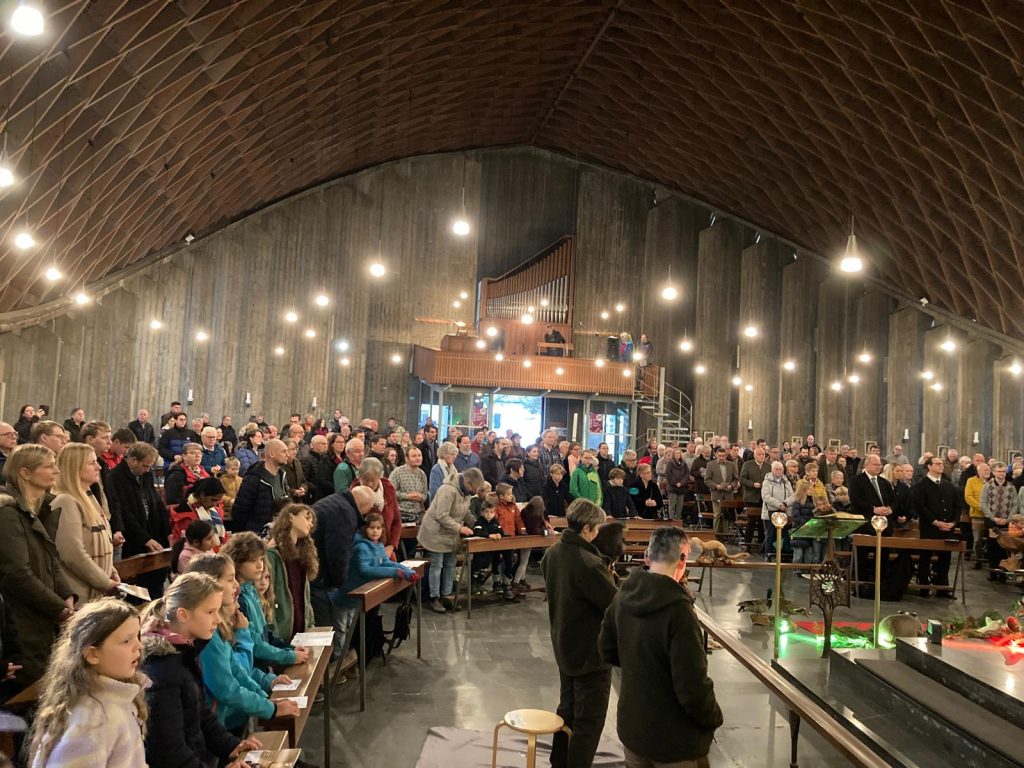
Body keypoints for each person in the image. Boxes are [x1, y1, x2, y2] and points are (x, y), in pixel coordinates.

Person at [599, 527, 722, 768]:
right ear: (683, 559)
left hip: (634, 726)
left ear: (647, 556)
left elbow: (606, 649)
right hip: (674, 740)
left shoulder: (622, 597)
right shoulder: (679, 611)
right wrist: (713, 718)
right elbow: (692, 685)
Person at [141, 572, 263, 768]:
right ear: (183, 614)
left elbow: (201, 714)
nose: (218, 620)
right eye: (210, 612)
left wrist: (231, 745)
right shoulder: (162, 670)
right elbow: (170, 754)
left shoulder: (185, 652)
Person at [541, 498, 617, 768]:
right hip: (590, 652)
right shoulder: (588, 563)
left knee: (567, 711)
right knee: (589, 720)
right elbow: (614, 604)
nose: (598, 533)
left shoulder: (553, 552)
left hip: (564, 642)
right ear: (586, 528)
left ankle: (559, 762)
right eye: (596, 528)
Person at [28, 598, 147, 767]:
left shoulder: (117, 699)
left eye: (138, 636)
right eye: (126, 641)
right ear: (92, 654)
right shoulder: (93, 719)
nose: (139, 646)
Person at [185, 554, 296, 731]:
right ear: (211, 584)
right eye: (230, 579)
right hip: (218, 724)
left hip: (229, 717)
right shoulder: (207, 635)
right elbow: (227, 688)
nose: (237, 585)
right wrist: (270, 707)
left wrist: (266, 699)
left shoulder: (217, 626)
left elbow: (237, 671)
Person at [0, 444, 76, 689]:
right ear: (25, 473)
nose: (56, 471)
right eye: (49, 466)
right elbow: (16, 573)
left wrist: (66, 595)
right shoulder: (8, 513)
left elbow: (50, 557)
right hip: (22, 620)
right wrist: (58, 607)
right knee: (29, 691)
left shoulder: (37, 508)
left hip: (42, 615)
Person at [222, 533, 309, 670]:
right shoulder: (238, 600)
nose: (260, 565)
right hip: (250, 668)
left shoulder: (251, 591)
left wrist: (289, 648)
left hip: (262, 668)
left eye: (262, 559)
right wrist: (288, 656)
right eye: (253, 560)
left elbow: (265, 633)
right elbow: (255, 644)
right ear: (237, 563)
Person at [334, 513, 418, 653]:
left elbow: (386, 562)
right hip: (347, 595)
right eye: (372, 528)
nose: (375, 531)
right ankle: (338, 659)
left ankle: (347, 656)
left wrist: (407, 571)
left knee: (350, 628)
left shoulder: (378, 546)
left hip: (357, 596)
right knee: (341, 629)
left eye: (378, 528)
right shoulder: (361, 547)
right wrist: (395, 573)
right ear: (365, 529)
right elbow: (365, 569)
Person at [48, 443, 120, 604]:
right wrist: (104, 582)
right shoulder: (65, 501)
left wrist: (111, 570)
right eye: (92, 463)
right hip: (80, 592)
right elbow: (72, 554)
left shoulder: (88, 498)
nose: (98, 467)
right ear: (75, 467)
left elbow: (103, 541)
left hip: (96, 588)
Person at [310, 485, 374, 664]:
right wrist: (338, 584)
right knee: (325, 626)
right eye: (368, 510)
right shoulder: (345, 513)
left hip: (314, 570)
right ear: (363, 506)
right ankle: (327, 670)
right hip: (316, 575)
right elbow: (337, 552)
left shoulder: (337, 502)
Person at [105, 442, 171, 598]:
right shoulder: (115, 477)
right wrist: (145, 539)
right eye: (145, 466)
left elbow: (156, 503)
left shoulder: (145, 474)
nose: (148, 470)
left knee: (156, 583)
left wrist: (167, 532)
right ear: (133, 460)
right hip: (133, 539)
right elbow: (124, 512)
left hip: (152, 531)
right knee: (138, 589)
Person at [418, 468, 484, 613]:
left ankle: (446, 596)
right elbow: (441, 515)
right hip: (435, 532)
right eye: (474, 488)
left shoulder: (466, 493)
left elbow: (465, 512)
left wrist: (478, 525)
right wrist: (460, 528)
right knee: (437, 565)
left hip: (450, 533)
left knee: (450, 564)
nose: (475, 492)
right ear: (467, 482)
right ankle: (433, 598)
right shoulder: (447, 490)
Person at [266, 504, 318, 639]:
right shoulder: (273, 555)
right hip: (281, 633)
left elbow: (305, 596)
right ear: (290, 517)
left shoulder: (303, 554)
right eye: (307, 518)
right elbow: (268, 596)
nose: (310, 524)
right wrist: (275, 632)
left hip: (301, 630)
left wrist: (310, 623)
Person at [913, 455, 961, 598]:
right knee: (925, 557)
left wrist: (953, 522)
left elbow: (957, 506)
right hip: (930, 527)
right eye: (937, 463)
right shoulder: (921, 485)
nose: (941, 466)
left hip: (948, 528)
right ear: (929, 466)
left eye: (941, 464)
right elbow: (920, 506)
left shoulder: (949, 485)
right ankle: (924, 586)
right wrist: (935, 521)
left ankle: (942, 587)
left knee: (945, 558)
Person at [232, 438, 291, 533]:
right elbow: (240, 511)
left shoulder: (282, 475)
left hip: (278, 532)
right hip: (257, 534)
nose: (288, 455)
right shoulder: (254, 478)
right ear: (272, 454)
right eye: (284, 451)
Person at [349, 457, 403, 557]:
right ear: (359, 477)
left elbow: (396, 521)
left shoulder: (388, 488)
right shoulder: (355, 492)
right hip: (362, 551)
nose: (369, 484)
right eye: (366, 480)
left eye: (373, 480)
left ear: (380, 477)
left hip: (386, 549)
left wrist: (391, 546)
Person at [761, 461, 793, 558]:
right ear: (772, 470)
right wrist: (779, 505)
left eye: (780, 469)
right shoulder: (766, 482)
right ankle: (768, 555)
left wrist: (785, 503)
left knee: (784, 534)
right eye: (776, 469)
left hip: (784, 511)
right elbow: (765, 497)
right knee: (770, 534)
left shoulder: (786, 482)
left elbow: (793, 496)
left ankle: (782, 554)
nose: (778, 471)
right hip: (770, 511)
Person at [390, 445, 429, 523]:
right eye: (414, 456)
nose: (418, 458)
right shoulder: (397, 472)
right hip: (401, 514)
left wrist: (421, 496)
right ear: (406, 458)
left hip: (418, 515)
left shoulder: (422, 474)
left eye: (419, 455)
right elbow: (390, 492)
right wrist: (407, 496)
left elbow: (425, 494)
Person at [707, 447, 739, 535]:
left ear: (726, 456)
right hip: (716, 493)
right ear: (716, 455)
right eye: (719, 456)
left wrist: (731, 486)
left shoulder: (732, 465)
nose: (721, 458)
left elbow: (736, 479)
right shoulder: (710, 465)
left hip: (728, 494)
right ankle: (715, 535)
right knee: (717, 515)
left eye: (723, 456)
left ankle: (725, 535)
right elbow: (707, 480)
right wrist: (716, 486)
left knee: (726, 516)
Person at [665, 446, 691, 523]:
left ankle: (678, 521)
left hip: (681, 488)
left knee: (680, 506)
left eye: (679, 453)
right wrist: (675, 483)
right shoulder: (670, 463)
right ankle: (671, 521)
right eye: (676, 453)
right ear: (673, 454)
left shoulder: (684, 463)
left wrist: (681, 483)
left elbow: (687, 474)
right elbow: (668, 475)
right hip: (672, 487)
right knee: (672, 505)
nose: (677, 454)